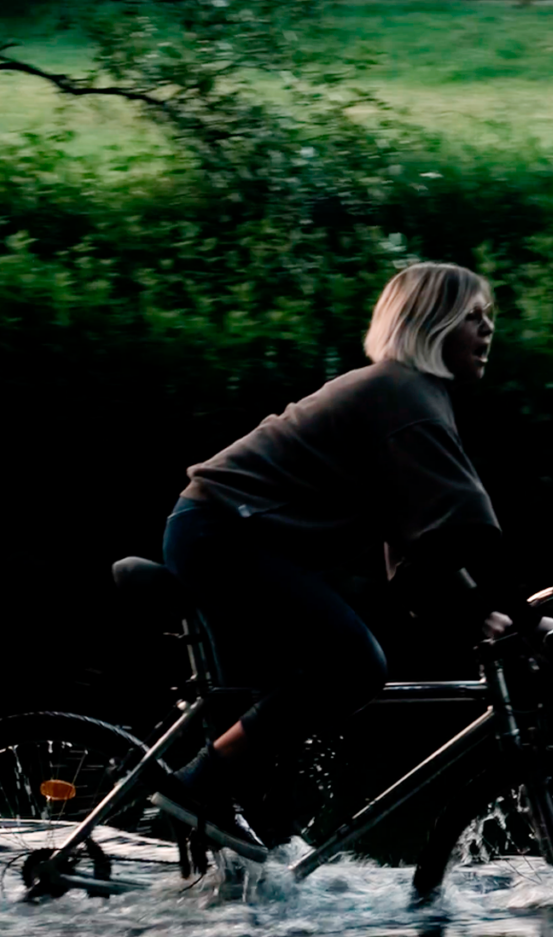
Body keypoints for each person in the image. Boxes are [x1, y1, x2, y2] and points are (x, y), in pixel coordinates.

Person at [157, 260, 521, 850]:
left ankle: (239, 865)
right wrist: (510, 611)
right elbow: (462, 526)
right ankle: (192, 787)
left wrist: (477, 611)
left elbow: (420, 538)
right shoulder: (402, 392)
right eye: (472, 316)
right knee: (355, 666)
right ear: (430, 323)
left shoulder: (408, 395)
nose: (488, 328)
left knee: (269, 746)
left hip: (226, 534)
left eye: (489, 317)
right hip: (222, 533)